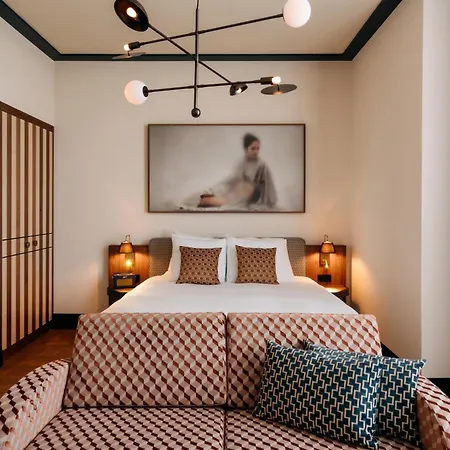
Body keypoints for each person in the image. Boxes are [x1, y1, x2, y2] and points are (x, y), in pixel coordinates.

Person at [197, 133, 278, 209]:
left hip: (254, 194)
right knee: (226, 190)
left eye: (258, 148)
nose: (256, 151)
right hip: (239, 190)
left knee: (239, 190)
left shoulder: (262, 165)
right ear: (246, 149)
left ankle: (208, 201)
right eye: (253, 148)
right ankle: (209, 199)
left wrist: (270, 201)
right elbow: (232, 179)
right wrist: (215, 188)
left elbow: (269, 186)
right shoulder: (241, 162)